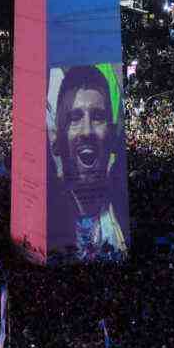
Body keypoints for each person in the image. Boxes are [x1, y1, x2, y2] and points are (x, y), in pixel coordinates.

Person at [49, 65, 129, 262]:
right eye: (74, 118)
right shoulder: (46, 216)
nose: (87, 132)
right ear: (57, 142)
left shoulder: (123, 210)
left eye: (98, 117)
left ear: (111, 138)